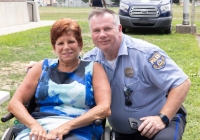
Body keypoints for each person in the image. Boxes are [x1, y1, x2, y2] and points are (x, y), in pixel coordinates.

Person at [25, 8, 191, 140]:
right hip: (123, 132)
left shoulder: (144, 53)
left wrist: (162, 118)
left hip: (159, 123)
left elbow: (182, 83)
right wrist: (40, 66)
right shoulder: (92, 60)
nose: (102, 34)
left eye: (107, 28)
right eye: (96, 30)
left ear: (119, 29)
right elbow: (69, 59)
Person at [8, 18, 111, 140]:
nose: (66, 47)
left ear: (80, 44)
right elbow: (14, 103)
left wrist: (66, 126)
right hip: (39, 128)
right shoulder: (41, 67)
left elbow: (104, 108)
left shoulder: (94, 68)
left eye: (71, 42)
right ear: (54, 47)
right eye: (60, 43)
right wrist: (34, 125)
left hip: (80, 129)